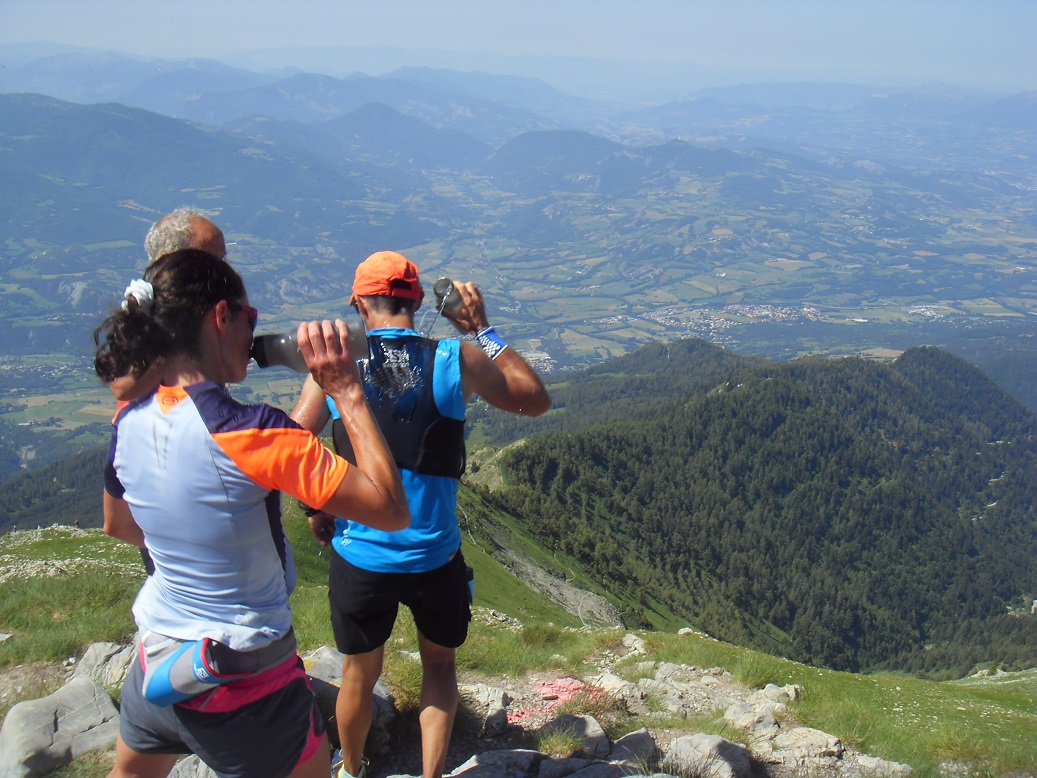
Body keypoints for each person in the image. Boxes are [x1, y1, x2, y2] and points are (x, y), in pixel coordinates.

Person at [95, 249, 409, 778]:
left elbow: (119, 524)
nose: (253, 331)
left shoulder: (127, 417)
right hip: (244, 684)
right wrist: (346, 391)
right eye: (251, 318)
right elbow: (391, 509)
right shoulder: (252, 432)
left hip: (156, 663)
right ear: (221, 317)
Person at [291, 251, 551, 778]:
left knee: (359, 675)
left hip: (362, 554)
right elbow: (535, 400)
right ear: (415, 301)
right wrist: (483, 328)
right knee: (439, 665)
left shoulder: (337, 367)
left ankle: (352, 770)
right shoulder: (458, 358)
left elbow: (298, 440)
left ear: (360, 303)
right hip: (435, 552)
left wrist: (316, 505)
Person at [108, 209, 227, 403]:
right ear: (168, 260)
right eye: (209, 261)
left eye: (222, 260)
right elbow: (123, 388)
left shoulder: (212, 309)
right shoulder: (144, 312)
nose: (222, 272)